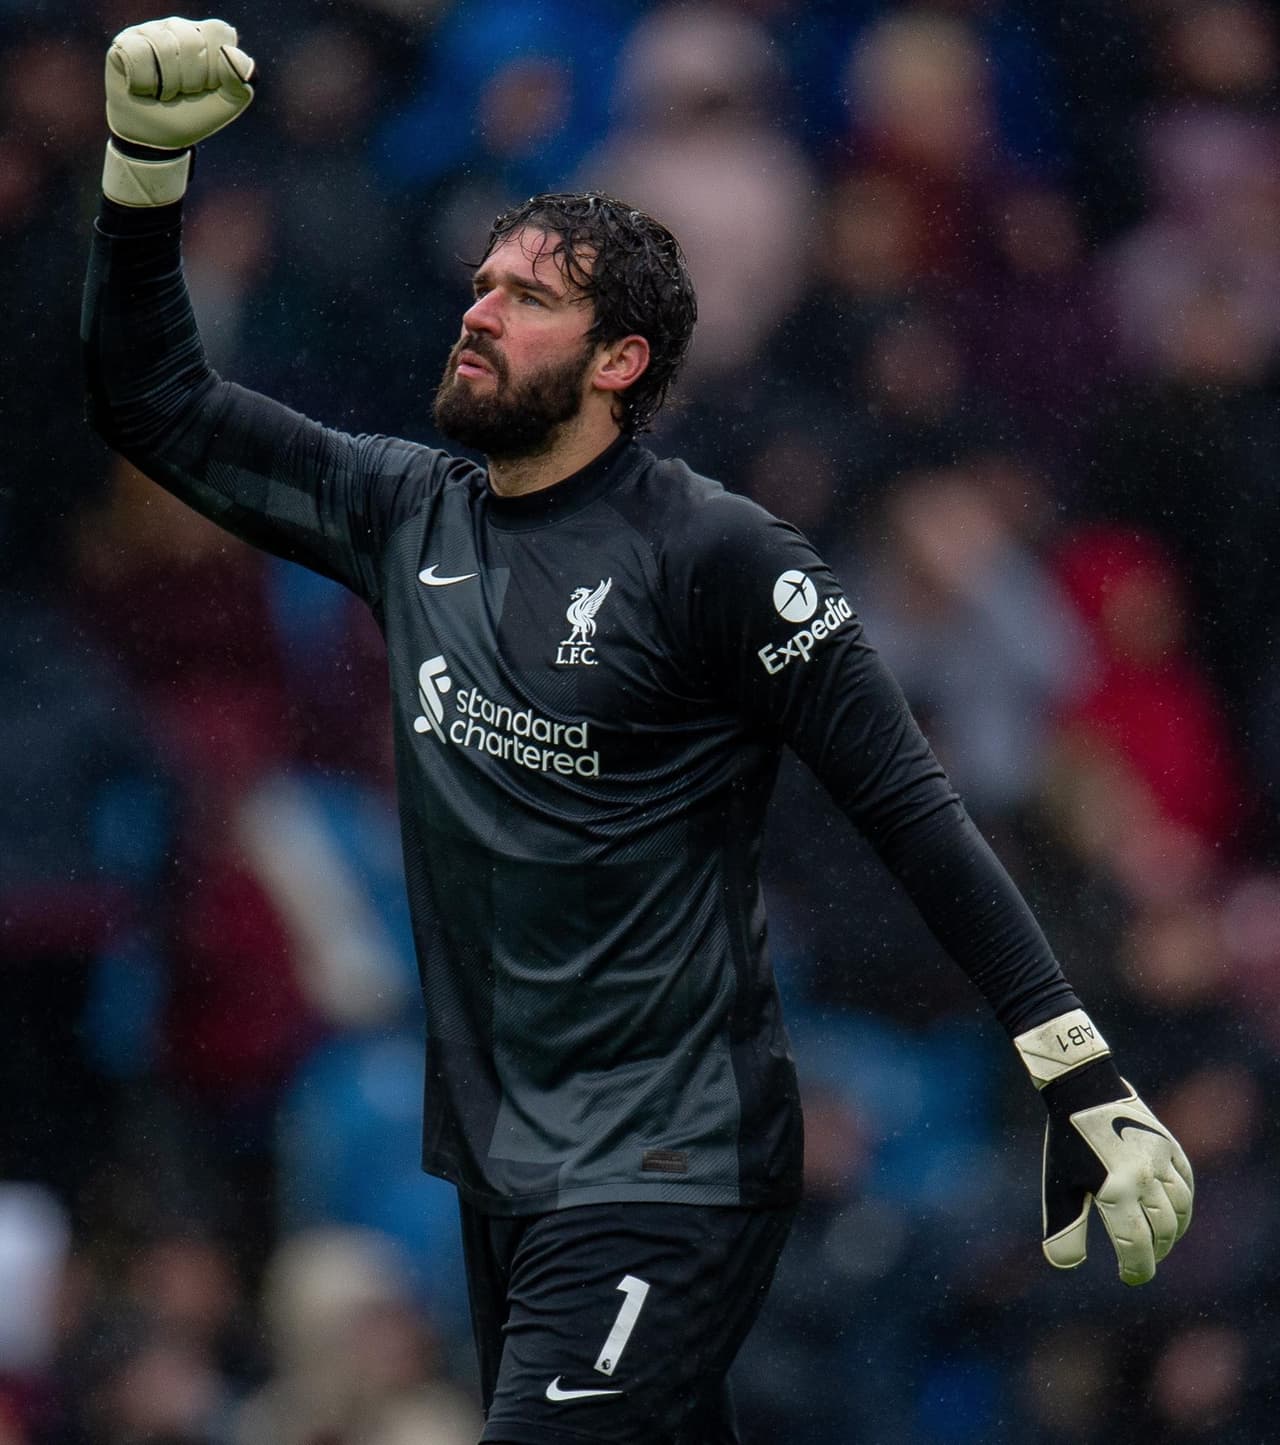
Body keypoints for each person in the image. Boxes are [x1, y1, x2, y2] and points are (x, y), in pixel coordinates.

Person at [82, 20, 1193, 1445]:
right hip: (499, 1162)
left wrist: (1079, 1071)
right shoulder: (406, 509)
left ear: (620, 359)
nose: (476, 311)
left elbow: (914, 810)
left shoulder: (723, 562)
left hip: (669, 1161)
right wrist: (140, 171)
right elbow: (154, 400)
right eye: (479, 284)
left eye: (525, 298)